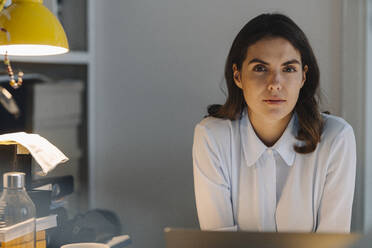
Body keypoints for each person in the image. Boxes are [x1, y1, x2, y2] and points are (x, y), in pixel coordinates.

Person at [192, 13, 356, 233]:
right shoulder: (211, 137)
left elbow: (332, 242)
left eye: (288, 69)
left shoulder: (337, 139)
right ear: (238, 75)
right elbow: (219, 243)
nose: (275, 84)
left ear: (303, 77)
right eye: (260, 68)